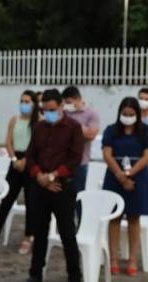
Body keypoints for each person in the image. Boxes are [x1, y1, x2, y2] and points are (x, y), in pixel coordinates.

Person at [22, 88, 84, 282]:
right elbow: (30, 156)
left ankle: (74, 278)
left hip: (62, 187)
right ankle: (35, 275)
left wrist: (54, 176)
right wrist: (40, 176)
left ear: (60, 107)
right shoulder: (39, 127)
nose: (48, 113)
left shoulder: (73, 127)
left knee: (67, 233)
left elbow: (75, 158)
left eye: (52, 109)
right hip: (40, 186)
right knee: (39, 232)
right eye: (44, 109)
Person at [102, 97, 148, 276]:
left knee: (134, 218)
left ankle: (132, 259)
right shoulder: (111, 130)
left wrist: (130, 173)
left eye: (131, 114)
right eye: (124, 114)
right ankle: (113, 259)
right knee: (114, 218)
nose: (127, 117)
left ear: (137, 114)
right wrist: (120, 175)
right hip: (114, 176)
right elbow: (107, 154)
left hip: (138, 177)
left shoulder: (146, 131)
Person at [0, 90, 39, 255]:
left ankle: (28, 236)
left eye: (27, 101)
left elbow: (36, 146)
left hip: (31, 162)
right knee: (6, 199)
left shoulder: (38, 122)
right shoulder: (14, 120)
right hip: (15, 161)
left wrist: (26, 161)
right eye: (22, 101)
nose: (24, 104)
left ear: (34, 104)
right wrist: (14, 160)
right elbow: (8, 142)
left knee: (31, 201)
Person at [62, 86, 100, 223]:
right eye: (65, 102)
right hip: (63, 161)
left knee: (80, 196)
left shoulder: (91, 114)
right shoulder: (63, 112)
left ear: (78, 99)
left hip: (81, 162)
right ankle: (66, 226)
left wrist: (72, 126)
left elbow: (90, 134)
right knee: (64, 197)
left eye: (69, 101)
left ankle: (82, 225)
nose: (67, 105)